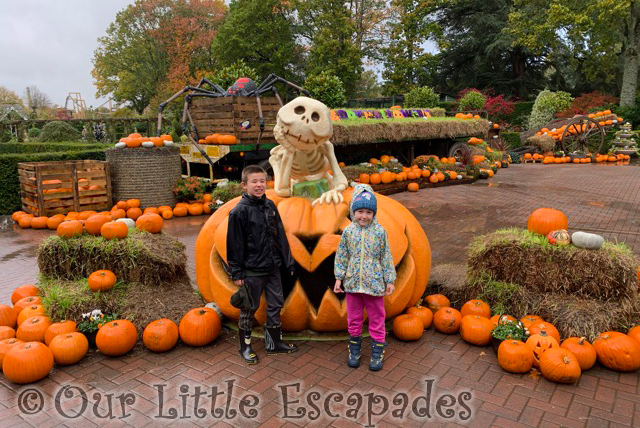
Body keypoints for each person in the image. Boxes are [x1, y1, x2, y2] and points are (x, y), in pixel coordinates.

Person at [226, 165, 298, 364]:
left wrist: (288, 262)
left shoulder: (270, 206)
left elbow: (280, 235)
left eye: (262, 181)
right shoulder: (239, 212)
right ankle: (245, 346)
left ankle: (274, 343)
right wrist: (237, 272)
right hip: (252, 270)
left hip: (273, 266)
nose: (259, 185)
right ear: (244, 185)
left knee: (275, 303)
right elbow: (234, 244)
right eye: (254, 182)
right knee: (249, 307)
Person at [334, 184, 396, 371]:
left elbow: (386, 256)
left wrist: (390, 279)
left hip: (374, 284)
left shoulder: (380, 232)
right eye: (360, 211)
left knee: (377, 318)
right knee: (354, 319)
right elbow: (342, 256)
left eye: (368, 212)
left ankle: (377, 352)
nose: (364, 216)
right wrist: (339, 278)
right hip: (353, 283)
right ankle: (355, 350)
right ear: (353, 211)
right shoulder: (348, 232)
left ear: (374, 213)